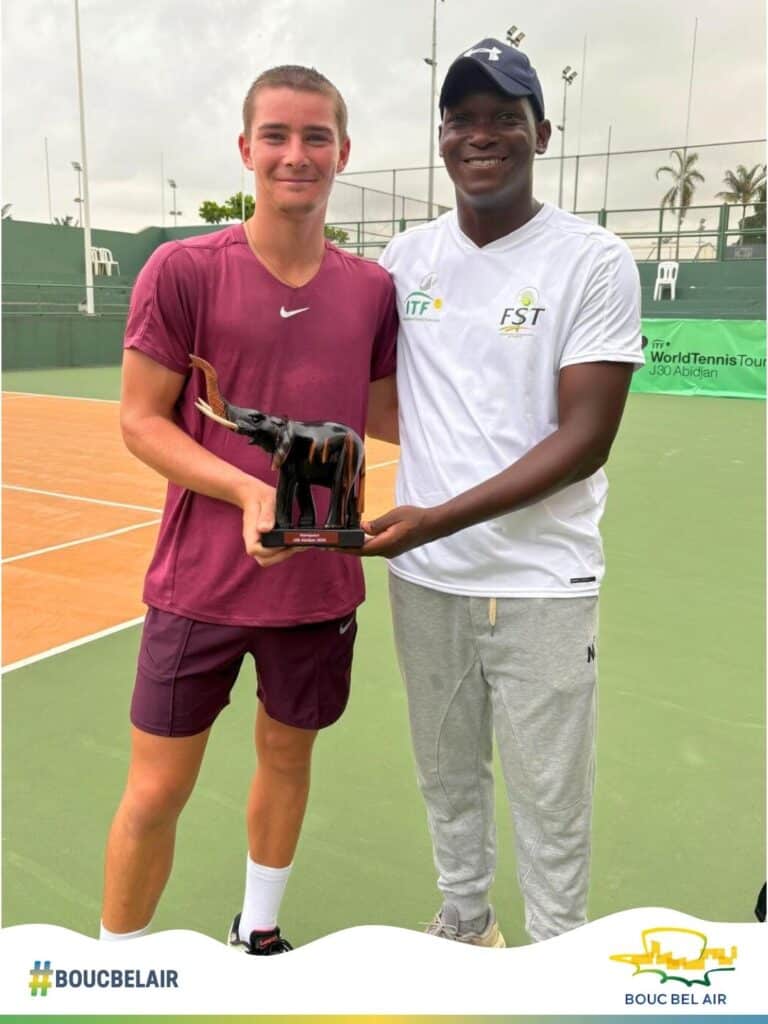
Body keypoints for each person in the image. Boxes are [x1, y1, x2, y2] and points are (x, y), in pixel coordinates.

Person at [100, 65, 398, 955]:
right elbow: (140, 419)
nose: (295, 154)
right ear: (245, 149)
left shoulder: (371, 290)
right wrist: (244, 489)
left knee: (288, 759)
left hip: (318, 590)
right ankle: (116, 967)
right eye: (276, 135)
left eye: (316, 137)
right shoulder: (183, 270)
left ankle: (258, 930)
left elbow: (389, 414)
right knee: (157, 790)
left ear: (343, 152)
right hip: (197, 588)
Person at [364, 38, 643, 946]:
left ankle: (559, 956)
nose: (479, 135)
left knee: (551, 797)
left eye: (503, 118)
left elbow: (584, 441)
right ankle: (466, 922)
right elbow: (372, 393)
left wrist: (436, 516)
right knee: (446, 777)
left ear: (542, 133)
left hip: (541, 584)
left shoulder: (592, 259)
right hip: (427, 583)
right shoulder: (404, 259)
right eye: (461, 119)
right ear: (442, 136)